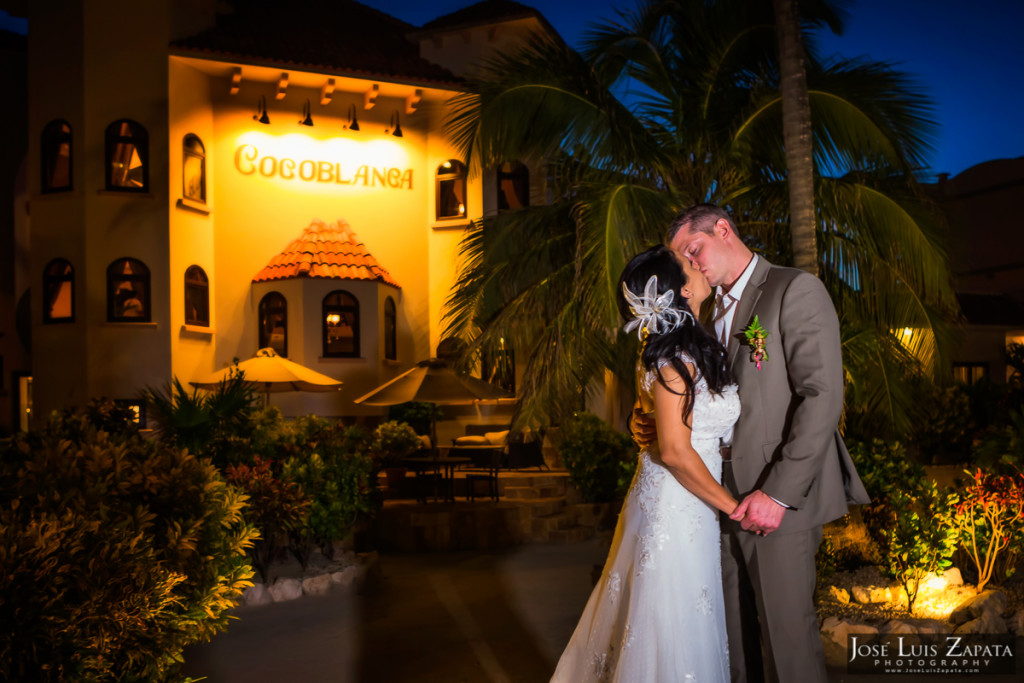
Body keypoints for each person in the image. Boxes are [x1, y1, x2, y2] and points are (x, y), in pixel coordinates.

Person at [636, 203, 870, 683]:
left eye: (693, 250)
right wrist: (645, 422)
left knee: (787, 639)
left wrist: (779, 493)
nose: (691, 265)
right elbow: (682, 390)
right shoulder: (698, 309)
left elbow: (822, 396)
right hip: (711, 497)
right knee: (730, 642)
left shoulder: (792, 289)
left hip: (774, 496)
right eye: (681, 260)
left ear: (724, 229)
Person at [552, 245, 740, 683]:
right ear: (681, 290)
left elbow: (656, 421)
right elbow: (674, 450)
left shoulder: (672, 350)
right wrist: (733, 507)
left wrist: (646, 421)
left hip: (679, 498)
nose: (698, 263)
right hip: (677, 504)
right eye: (690, 265)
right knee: (671, 624)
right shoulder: (674, 359)